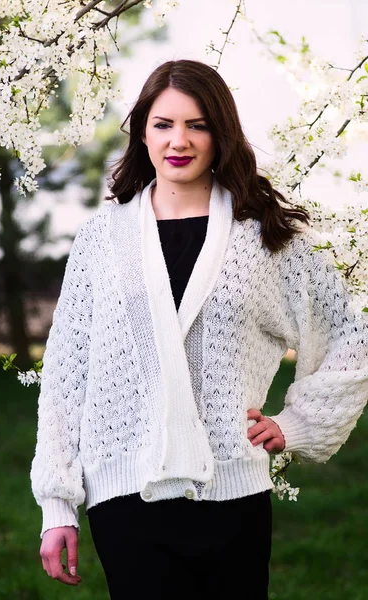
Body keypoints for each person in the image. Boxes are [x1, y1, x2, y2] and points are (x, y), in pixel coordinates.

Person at [31, 59, 368, 600]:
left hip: (233, 496)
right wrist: (56, 504)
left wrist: (299, 423)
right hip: (126, 499)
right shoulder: (101, 241)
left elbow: (352, 339)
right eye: (163, 124)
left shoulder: (265, 240)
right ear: (143, 132)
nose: (178, 140)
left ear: (221, 134)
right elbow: (67, 375)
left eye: (197, 124)